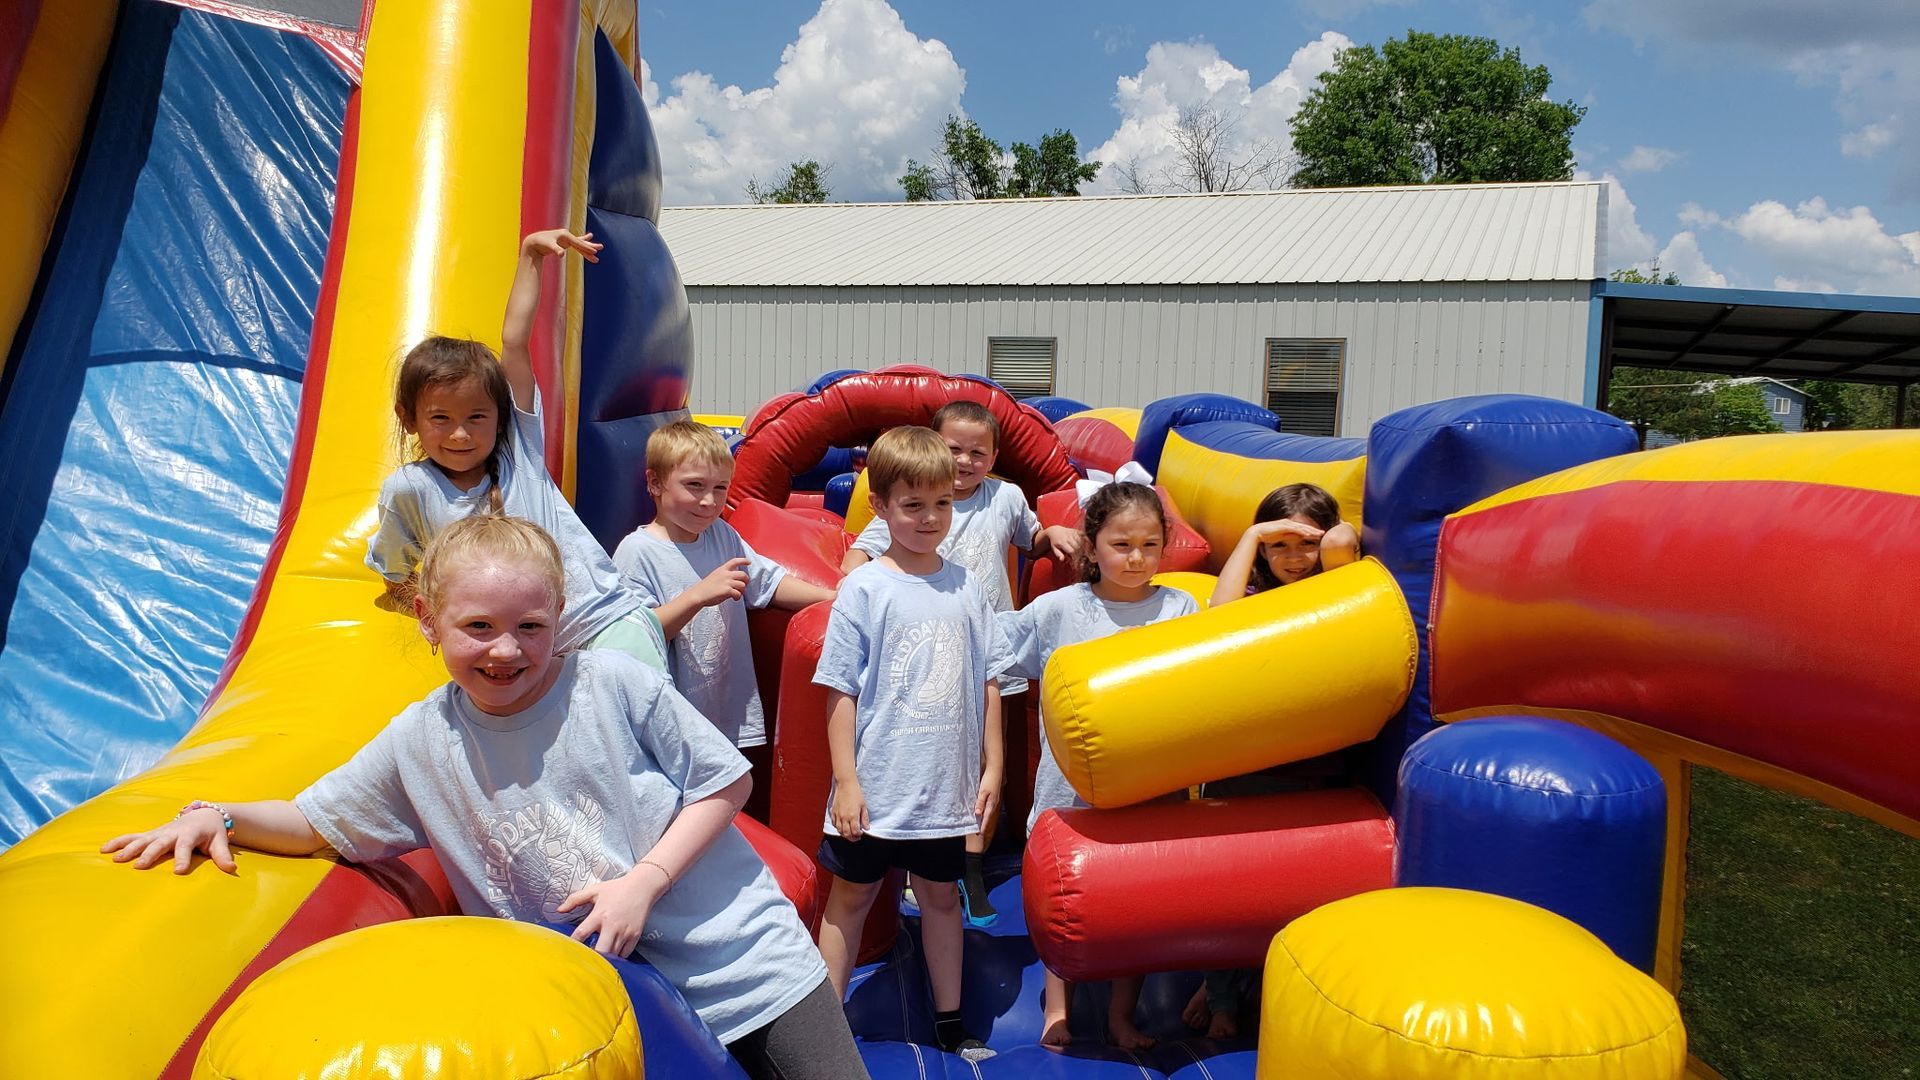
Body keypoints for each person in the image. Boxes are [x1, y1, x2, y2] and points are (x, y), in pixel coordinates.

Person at [103, 515, 869, 1080]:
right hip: (592, 1004)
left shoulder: (611, 686)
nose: (506, 650)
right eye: (478, 627)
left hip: (741, 963)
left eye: (530, 627)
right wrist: (220, 815)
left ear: (559, 622)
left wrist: (645, 883)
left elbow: (724, 779)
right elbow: (314, 821)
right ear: (430, 624)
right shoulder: (421, 740)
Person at [364, 228, 665, 670]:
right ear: (409, 418)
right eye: (441, 419)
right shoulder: (410, 489)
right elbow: (394, 577)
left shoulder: (515, 452)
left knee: (639, 729)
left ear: (501, 416)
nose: (461, 435)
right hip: (520, 656)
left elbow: (514, 342)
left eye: (476, 418)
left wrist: (530, 256)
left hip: (601, 623)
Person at [840, 400, 1080, 926]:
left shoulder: (1006, 497)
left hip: (989, 648)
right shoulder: (918, 499)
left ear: (995, 455)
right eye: (954, 449)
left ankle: (968, 868)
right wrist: (848, 583)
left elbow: (1030, 539)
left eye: (979, 451)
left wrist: (1052, 535)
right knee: (933, 760)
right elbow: (862, 552)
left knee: (983, 772)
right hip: (929, 656)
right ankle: (916, 871)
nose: (967, 460)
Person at [813, 426, 1010, 1062]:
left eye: (942, 504)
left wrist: (994, 767)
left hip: (942, 786)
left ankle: (950, 1019)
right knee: (850, 899)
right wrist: (847, 779)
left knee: (940, 900)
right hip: (877, 782)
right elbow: (839, 689)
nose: (930, 519)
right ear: (880, 507)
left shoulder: (966, 589)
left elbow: (987, 683)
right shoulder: (865, 589)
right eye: (913, 505)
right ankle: (825, 1021)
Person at [997, 481, 1197, 1050]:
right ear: (1092, 545)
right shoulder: (1061, 609)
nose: (1136, 557)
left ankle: (1119, 1014)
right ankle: (1056, 1010)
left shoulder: (1178, 608)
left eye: (1149, 545)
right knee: (1067, 899)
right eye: (1121, 543)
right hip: (1070, 788)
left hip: (1149, 785)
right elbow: (993, 648)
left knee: (1133, 905)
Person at [1186, 481, 1361, 1039]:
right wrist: (1256, 532)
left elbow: (1346, 547)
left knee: (1293, 887)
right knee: (1227, 886)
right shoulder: (1253, 597)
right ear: (1260, 550)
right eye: (1278, 545)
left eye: (1303, 544)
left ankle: (1258, 989)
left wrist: (1331, 539)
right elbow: (1219, 617)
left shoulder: (1340, 591)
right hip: (1245, 767)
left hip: (1310, 771)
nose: (1292, 557)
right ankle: (1220, 999)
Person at [613, 419, 836, 749]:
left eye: (720, 488)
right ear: (655, 483)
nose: (709, 501)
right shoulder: (637, 552)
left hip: (725, 713)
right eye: (694, 486)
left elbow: (768, 582)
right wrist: (698, 596)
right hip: (672, 720)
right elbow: (636, 636)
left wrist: (832, 597)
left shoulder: (721, 535)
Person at [1208, 482, 1360, 607]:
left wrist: (1343, 525)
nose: (1294, 558)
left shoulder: (1332, 580)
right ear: (1263, 551)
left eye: (1307, 543)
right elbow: (1220, 612)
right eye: (1279, 545)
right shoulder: (1257, 594)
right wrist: (1253, 534)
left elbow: (1338, 542)